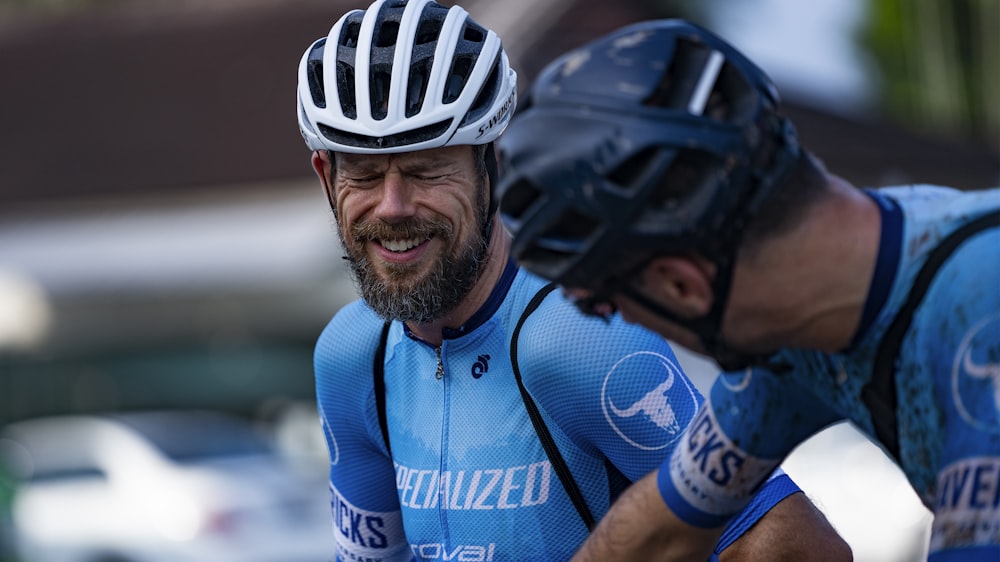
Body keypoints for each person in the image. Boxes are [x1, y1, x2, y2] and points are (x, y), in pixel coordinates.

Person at [296, 1, 851, 561]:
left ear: (495, 164)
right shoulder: (353, 358)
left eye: (427, 169)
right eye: (364, 173)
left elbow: (802, 549)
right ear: (326, 175)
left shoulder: (576, 338)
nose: (392, 207)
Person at [497, 17, 1000, 562]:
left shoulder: (982, 309)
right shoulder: (797, 337)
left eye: (603, 306)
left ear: (680, 285)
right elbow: (662, 531)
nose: (621, 323)